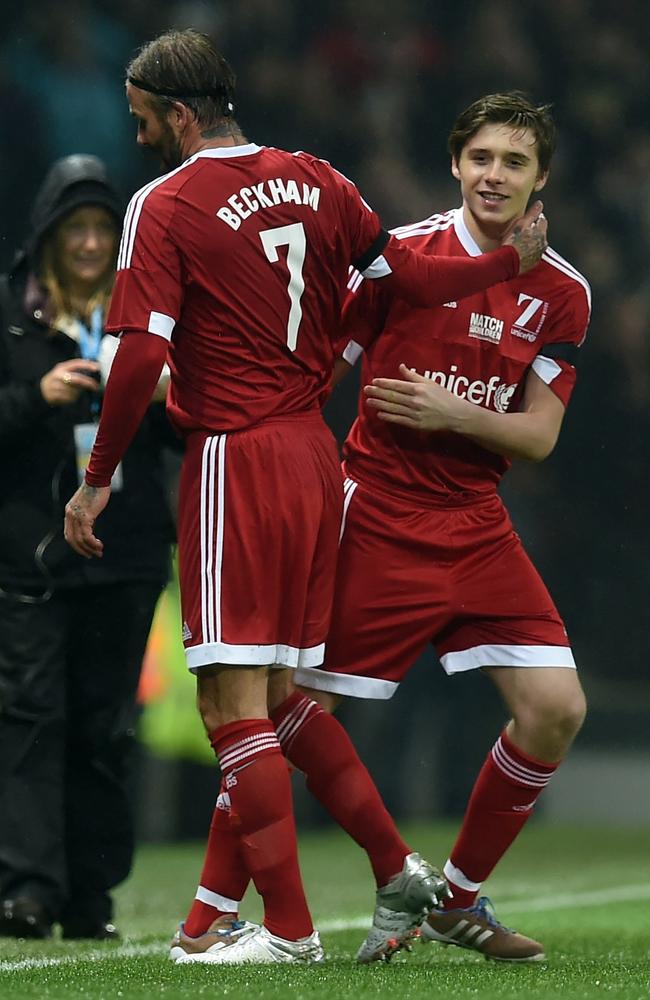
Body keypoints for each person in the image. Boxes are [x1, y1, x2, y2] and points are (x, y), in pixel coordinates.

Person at [63, 31, 547, 966]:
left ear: (177, 114)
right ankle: (384, 867)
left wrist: (97, 480)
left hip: (234, 457)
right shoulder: (319, 178)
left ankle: (287, 932)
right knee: (284, 697)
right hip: (316, 458)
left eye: (141, 122)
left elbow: (136, 361)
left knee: (228, 706)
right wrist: (501, 268)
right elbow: (404, 282)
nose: (139, 140)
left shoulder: (163, 202)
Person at [286, 92, 591, 963]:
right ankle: (232, 912)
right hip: (375, 509)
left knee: (555, 711)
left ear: (541, 179)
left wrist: (451, 411)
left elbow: (537, 435)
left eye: (515, 162)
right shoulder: (400, 260)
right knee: (291, 714)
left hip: (477, 524)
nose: (495, 175)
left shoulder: (563, 291)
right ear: (457, 164)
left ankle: (453, 900)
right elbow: (316, 372)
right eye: (482, 158)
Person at [0, 155, 176, 940]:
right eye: (75, 226)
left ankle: (90, 898)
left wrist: (162, 391)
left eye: (104, 227)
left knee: (105, 729)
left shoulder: (148, 316)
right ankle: (28, 889)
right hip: (28, 555)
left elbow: (186, 429)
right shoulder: (9, 316)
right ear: (47, 234)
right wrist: (33, 398)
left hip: (125, 552)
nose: (89, 242)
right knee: (32, 719)